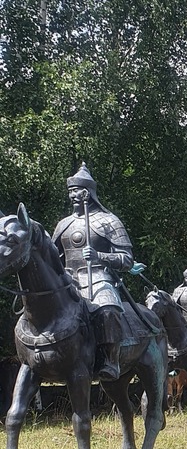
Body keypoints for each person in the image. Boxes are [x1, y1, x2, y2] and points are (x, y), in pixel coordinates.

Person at [52, 163, 133, 380]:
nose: (72, 196)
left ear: (88, 193)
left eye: (76, 191)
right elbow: (52, 258)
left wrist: (99, 256)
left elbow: (127, 260)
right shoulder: (64, 224)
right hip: (68, 280)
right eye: (70, 191)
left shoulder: (108, 221)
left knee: (108, 309)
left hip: (98, 277)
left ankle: (111, 359)